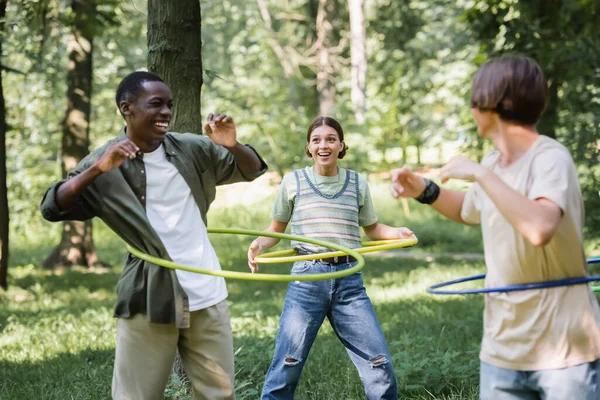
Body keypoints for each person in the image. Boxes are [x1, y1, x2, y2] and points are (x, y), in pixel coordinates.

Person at [40, 71, 268, 400]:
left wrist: (232, 145)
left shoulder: (192, 148)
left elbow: (251, 169)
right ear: (126, 108)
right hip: (149, 296)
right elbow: (52, 206)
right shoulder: (106, 161)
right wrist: (97, 170)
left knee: (220, 395)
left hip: (207, 293)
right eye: (156, 104)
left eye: (169, 105)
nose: (165, 112)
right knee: (136, 396)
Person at [390, 56, 600, 399]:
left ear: (493, 103)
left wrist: (480, 174)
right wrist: (424, 190)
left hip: (564, 348)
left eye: (474, 100)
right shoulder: (492, 162)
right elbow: (469, 209)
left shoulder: (550, 158)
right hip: (502, 347)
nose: (471, 110)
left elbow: (539, 228)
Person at [248, 116, 415, 400]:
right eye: (317, 140)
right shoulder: (293, 182)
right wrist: (259, 246)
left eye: (330, 139)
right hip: (307, 279)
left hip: (349, 281)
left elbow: (372, 229)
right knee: (287, 364)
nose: (323, 144)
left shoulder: (356, 182)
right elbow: (276, 231)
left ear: (341, 145)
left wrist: (397, 232)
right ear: (309, 147)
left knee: (379, 363)